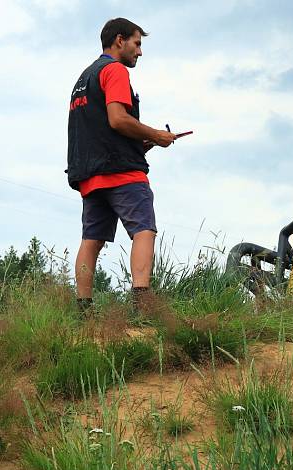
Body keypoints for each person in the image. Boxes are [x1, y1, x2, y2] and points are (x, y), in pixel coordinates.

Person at [66, 18, 176, 313]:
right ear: (119, 41)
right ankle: (142, 307)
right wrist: (156, 135)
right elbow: (117, 119)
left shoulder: (84, 78)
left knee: (91, 240)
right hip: (122, 173)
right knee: (144, 230)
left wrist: (139, 144)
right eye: (137, 43)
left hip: (89, 175)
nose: (139, 52)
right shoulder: (114, 70)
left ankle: (84, 311)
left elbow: (101, 130)